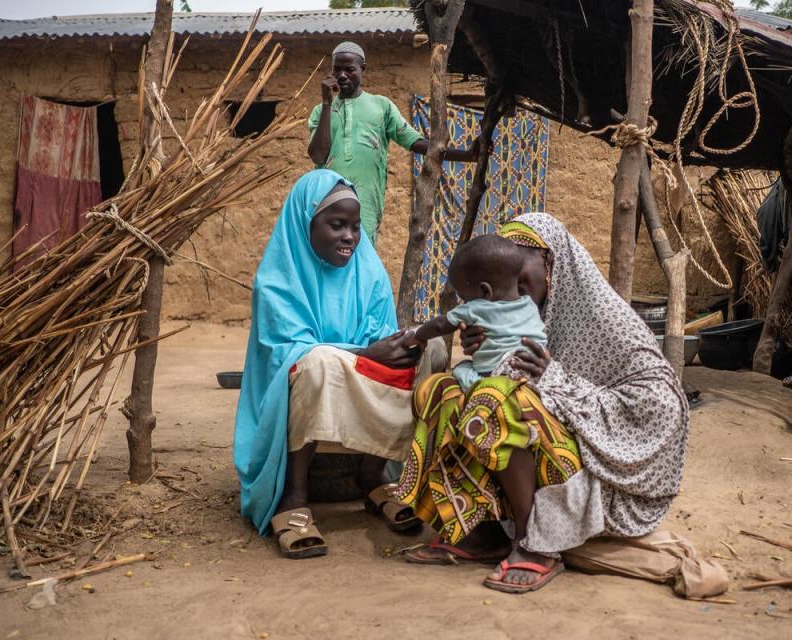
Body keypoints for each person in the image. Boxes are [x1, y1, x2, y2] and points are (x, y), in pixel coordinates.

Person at [397, 213, 690, 594]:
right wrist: (482, 353)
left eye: (520, 277)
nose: (513, 289)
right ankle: (483, 530)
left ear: (551, 264)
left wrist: (555, 379)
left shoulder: (607, 320)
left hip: (606, 469)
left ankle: (533, 543)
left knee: (498, 400)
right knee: (441, 391)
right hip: (545, 441)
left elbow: (663, 406)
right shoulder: (516, 310)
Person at [233, 169, 443, 559]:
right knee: (316, 361)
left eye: (354, 226)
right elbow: (288, 353)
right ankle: (293, 498)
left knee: (430, 353)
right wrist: (364, 354)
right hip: (306, 382)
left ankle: (374, 475)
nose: (349, 236)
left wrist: (398, 345)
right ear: (305, 224)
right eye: (336, 225)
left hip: (355, 373)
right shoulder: (277, 280)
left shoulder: (368, 270)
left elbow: (380, 335)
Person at [308, 41, 478, 244]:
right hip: (326, 200)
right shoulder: (320, 111)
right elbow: (318, 156)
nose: (342, 75)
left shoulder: (381, 106)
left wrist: (466, 155)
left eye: (350, 69)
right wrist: (327, 103)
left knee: (362, 259)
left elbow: (416, 142)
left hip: (365, 206)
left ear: (363, 70)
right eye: (337, 69)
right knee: (326, 259)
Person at [409, 234, 547, 391]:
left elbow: (440, 325)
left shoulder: (477, 307)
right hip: (534, 374)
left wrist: (418, 336)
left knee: (461, 369)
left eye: (464, 297)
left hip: (497, 375)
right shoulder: (530, 305)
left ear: (484, 290)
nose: (466, 303)